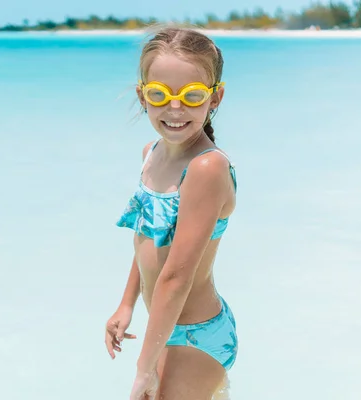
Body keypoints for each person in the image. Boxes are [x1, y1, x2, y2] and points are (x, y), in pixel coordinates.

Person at [105, 26, 239, 400]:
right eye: (160, 95)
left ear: (215, 98)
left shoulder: (206, 169)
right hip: (163, 325)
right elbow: (148, 237)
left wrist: (143, 370)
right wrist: (127, 303)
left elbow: (176, 277)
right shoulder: (152, 153)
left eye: (192, 96)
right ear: (142, 96)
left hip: (197, 334)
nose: (175, 108)